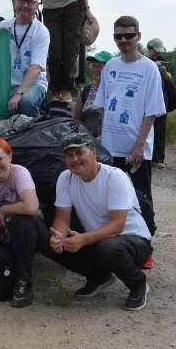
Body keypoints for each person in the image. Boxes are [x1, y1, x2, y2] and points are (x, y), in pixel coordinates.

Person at [44, 132, 152, 311]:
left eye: (80, 153)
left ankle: (138, 284)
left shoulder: (114, 176)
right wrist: (57, 237)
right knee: (48, 241)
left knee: (108, 247)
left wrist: (83, 239)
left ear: (93, 153)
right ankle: (99, 277)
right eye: (70, 155)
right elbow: (62, 217)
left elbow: (117, 225)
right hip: (98, 237)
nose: (75, 159)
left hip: (133, 239)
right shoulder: (66, 177)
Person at [95, 16, 165, 250]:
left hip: (136, 146)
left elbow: (152, 110)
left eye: (129, 36)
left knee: (140, 197)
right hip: (111, 145)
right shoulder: (111, 67)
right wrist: (104, 136)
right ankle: (117, 242)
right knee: (112, 196)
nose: (123, 40)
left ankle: (145, 245)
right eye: (118, 36)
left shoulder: (149, 68)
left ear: (138, 37)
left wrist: (139, 144)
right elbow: (104, 103)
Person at [0, 138, 47, 308]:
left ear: (9, 157)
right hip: (3, 231)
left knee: (21, 220)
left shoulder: (19, 173)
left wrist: (5, 209)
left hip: (31, 230)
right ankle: (6, 274)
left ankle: (24, 282)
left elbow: (31, 207)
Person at [0, 0, 50, 119]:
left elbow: (36, 67)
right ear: (14, 2)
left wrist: (19, 93)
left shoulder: (41, 31)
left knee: (27, 102)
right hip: (6, 84)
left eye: (30, 2)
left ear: (37, 6)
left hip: (34, 84)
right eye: (21, 0)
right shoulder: (3, 27)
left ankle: (36, 136)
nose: (25, 5)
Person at [145, 38, 172, 169]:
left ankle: (158, 158)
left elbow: (169, 79)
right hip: (146, 101)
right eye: (155, 50)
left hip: (161, 100)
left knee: (160, 129)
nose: (157, 53)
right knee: (146, 129)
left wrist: (163, 69)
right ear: (150, 48)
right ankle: (146, 157)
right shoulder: (142, 61)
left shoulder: (162, 62)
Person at [74, 50, 113, 138]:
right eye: (93, 66)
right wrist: (85, 134)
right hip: (89, 141)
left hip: (110, 141)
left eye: (100, 66)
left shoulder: (115, 91)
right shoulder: (84, 91)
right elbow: (77, 119)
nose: (95, 69)